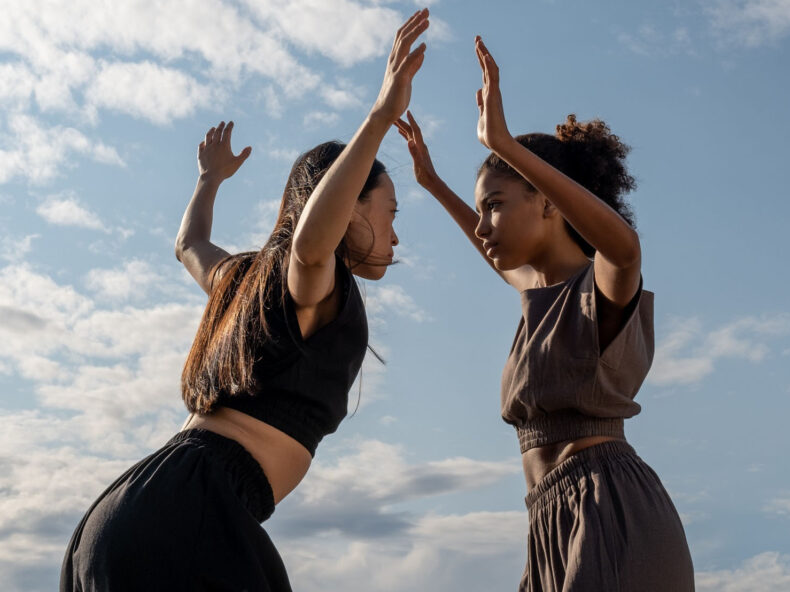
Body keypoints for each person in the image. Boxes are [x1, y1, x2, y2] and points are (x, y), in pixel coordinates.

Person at [59, 9, 430, 591]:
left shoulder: (246, 284)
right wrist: (380, 117)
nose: (396, 236)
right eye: (390, 215)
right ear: (348, 207)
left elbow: (189, 244)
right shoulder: (306, 276)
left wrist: (209, 180)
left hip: (129, 512)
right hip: (189, 515)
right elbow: (310, 247)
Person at [394, 35, 694, 591]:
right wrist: (432, 182)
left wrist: (505, 145)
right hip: (545, 522)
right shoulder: (539, 295)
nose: (483, 227)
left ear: (550, 201)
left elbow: (626, 249)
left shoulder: (599, 287)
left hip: (609, 512)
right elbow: (494, 258)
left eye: (496, 206)